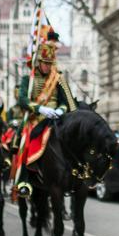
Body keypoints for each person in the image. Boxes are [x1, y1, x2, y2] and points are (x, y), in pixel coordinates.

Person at [15, 29, 76, 198]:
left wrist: (60, 110)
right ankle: (24, 179)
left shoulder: (57, 79)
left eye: (50, 63)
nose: (48, 66)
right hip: (36, 118)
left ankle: (74, 176)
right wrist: (39, 108)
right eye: (45, 63)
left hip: (56, 119)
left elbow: (65, 102)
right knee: (24, 139)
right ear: (38, 62)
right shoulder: (29, 79)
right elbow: (22, 100)